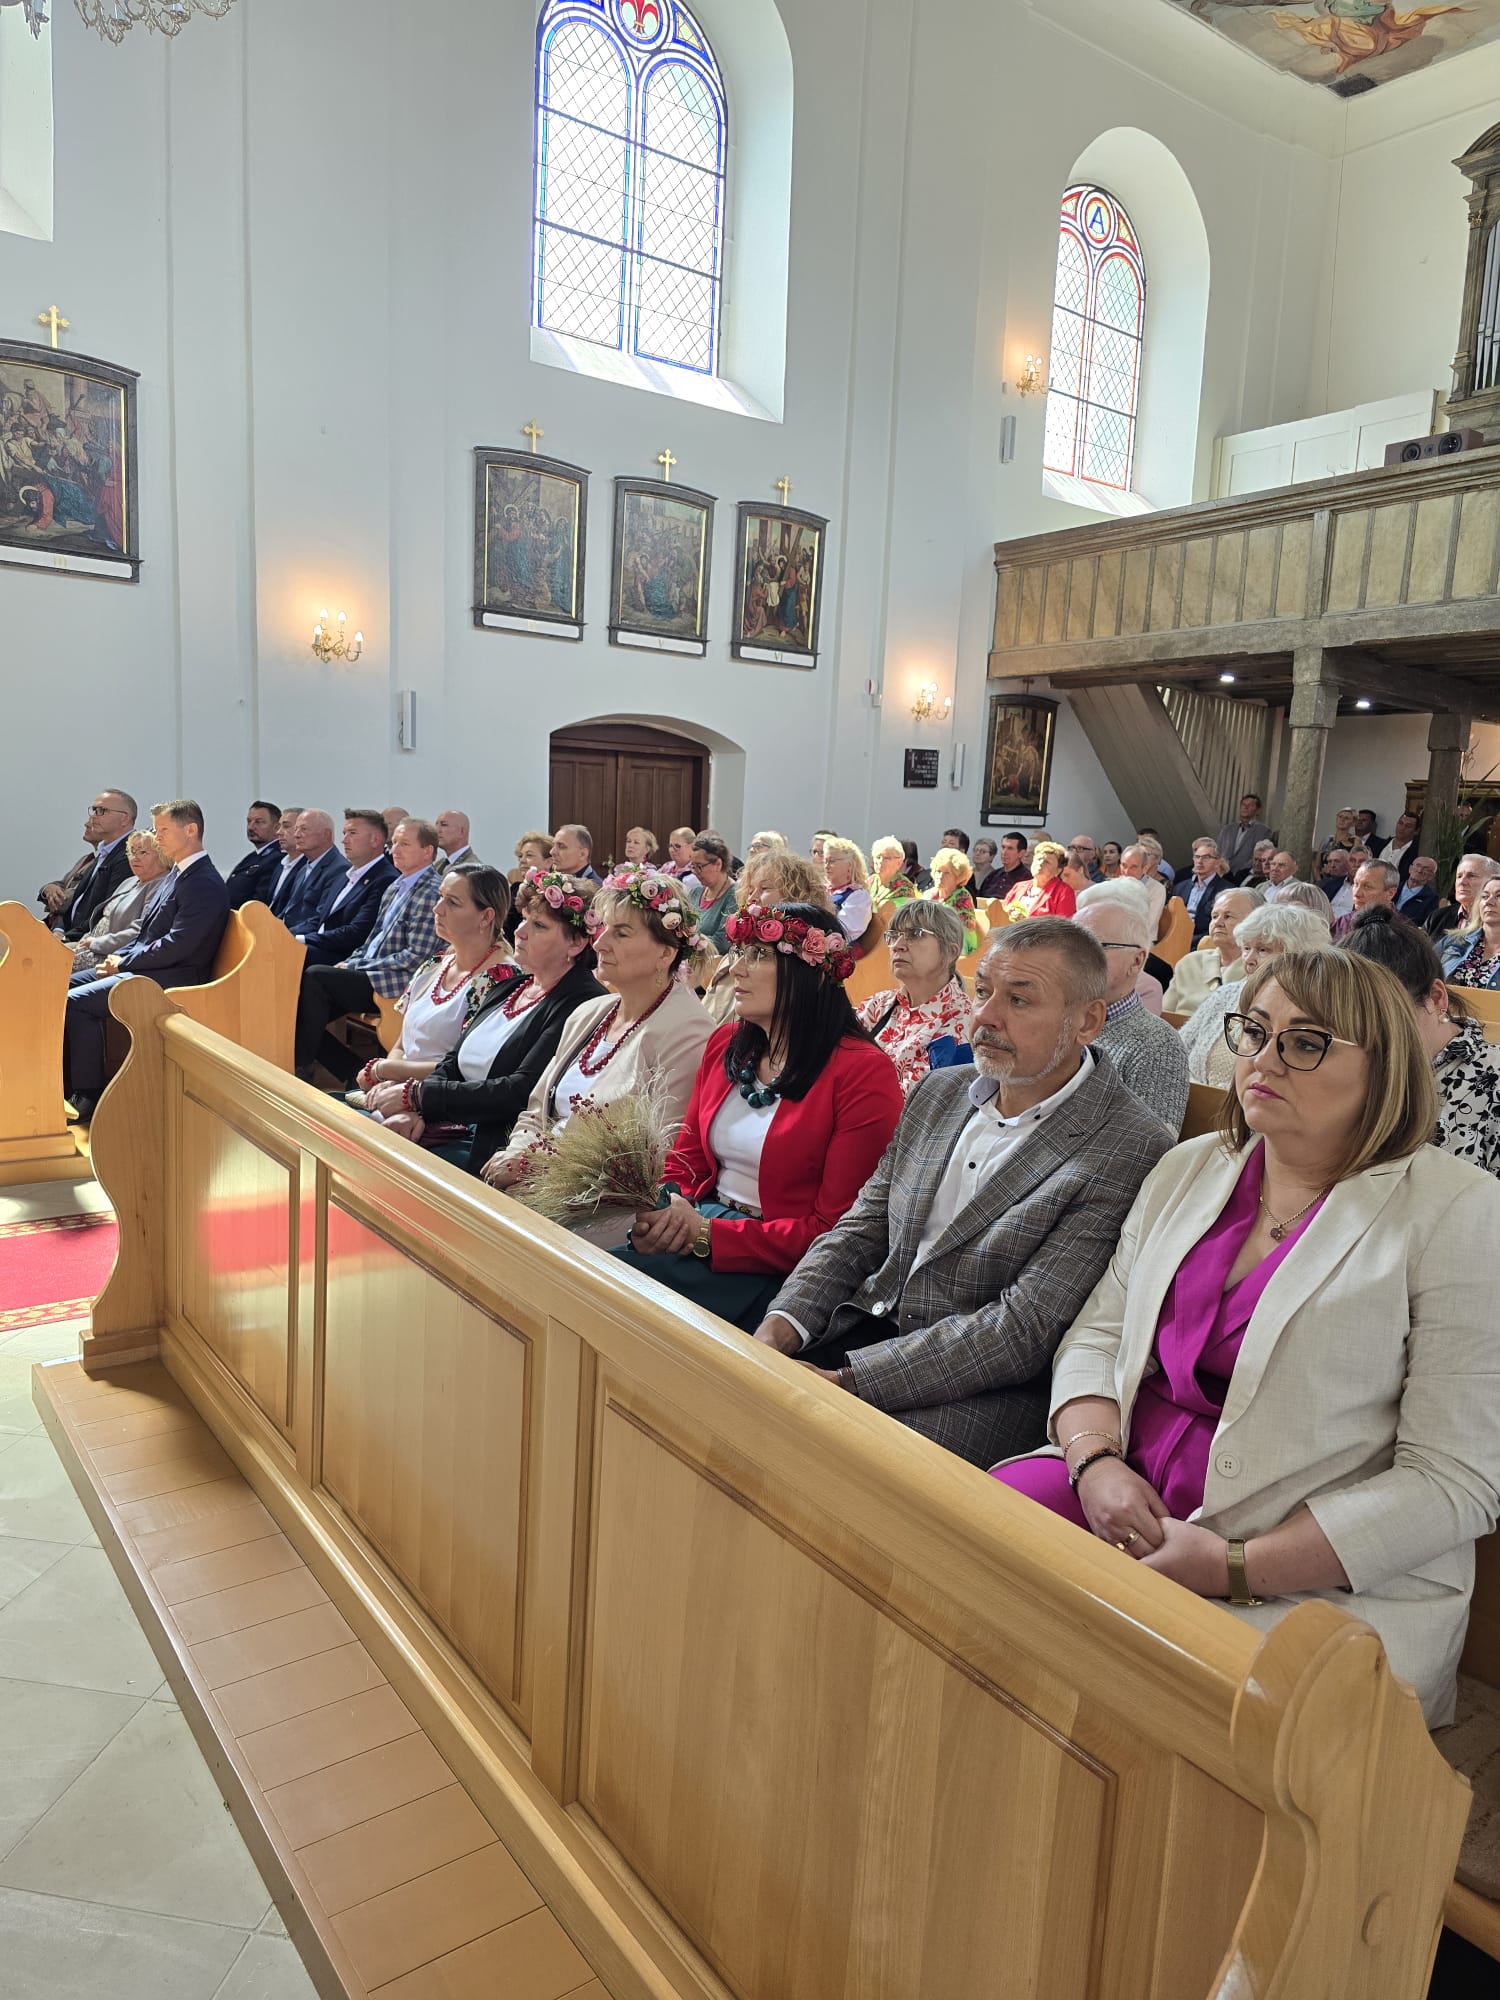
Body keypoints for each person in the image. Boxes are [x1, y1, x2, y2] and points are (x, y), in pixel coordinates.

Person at [992, 949, 1500, 1729]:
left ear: (1384, 1068)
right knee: (966, 1556)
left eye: (1306, 1042)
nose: (1263, 1059)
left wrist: (1233, 1564)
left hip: (1311, 1570)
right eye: (1255, 1031)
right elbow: (1098, 1332)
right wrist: (1093, 1462)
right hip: (1126, 1490)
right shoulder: (1192, 1167)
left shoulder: (1458, 1212)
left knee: (1129, 1697)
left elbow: (1453, 1479)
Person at [752, 920, 1177, 1468]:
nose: (985, 1017)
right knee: (727, 1385)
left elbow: (1021, 1329)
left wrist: (845, 1381)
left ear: (1087, 1021)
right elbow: (862, 1227)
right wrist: (779, 1327)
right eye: (982, 991)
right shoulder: (940, 1090)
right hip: (865, 1324)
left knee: (808, 1448)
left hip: (980, 1389)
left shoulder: (1129, 1143)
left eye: (1019, 1000)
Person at [615, 904, 903, 1329]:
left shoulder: (862, 1072)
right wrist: (668, 1209)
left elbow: (838, 1232)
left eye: (759, 955)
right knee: (589, 1277)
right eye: (739, 952)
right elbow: (685, 1160)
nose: (736, 969)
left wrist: (706, 1234)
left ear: (810, 972)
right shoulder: (728, 1042)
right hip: (702, 1226)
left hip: (781, 1270)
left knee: (613, 1300)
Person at [480, 868, 712, 1196]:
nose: (600, 943)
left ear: (665, 953)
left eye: (622, 933)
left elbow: (654, 1153)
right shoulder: (589, 1013)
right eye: (604, 929)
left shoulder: (689, 1032)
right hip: (530, 1182)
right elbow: (536, 1110)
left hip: (604, 1202)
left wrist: (537, 1166)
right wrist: (517, 1152)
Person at [376, 871, 605, 1173]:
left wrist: (419, 1096)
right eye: (524, 919)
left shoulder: (581, 1001)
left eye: (538, 926)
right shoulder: (509, 986)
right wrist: (416, 1110)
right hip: (449, 1122)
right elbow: (452, 1063)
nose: (520, 932)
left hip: (495, 1145)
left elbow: (520, 1090)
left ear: (575, 943)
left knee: (385, 1158)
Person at [63, 800, 229, 1120]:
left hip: (176, 976)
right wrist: (120, 957)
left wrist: (123, 964)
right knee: (62, 986)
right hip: (152, 967)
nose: (157, 836)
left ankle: (89, 1093)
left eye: (163, 829)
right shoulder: (179, 873)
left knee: (75, 1002)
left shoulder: (203, 881)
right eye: (156, 828)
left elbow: (179, 944)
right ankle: (62, 1081)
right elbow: (148, 935)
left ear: (190, 830)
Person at [1341, 906, 1500, 1179]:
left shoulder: (1491, 1080)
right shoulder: (1345, 1065)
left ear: (1436, 998)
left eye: (1384, 1018)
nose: (1368, 1038)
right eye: (1348, 1024)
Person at [293, 818, 444, 1083]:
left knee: (315, 978)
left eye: (405, 844)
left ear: (427, 851)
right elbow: (371, 941)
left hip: (398, 981)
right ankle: (354, 1074)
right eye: (394, 843)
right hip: (373, 972)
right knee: (298, 1014)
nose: (395, 850)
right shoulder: (396, 887)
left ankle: (301, 1066)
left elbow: (415, 957)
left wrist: (355, 966)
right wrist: (349, 962)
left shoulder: (431, 891)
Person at [354, 863, 512, 1112]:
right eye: (440, 897)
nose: (437, 909)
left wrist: (388, 1071)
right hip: (400, 1088)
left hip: (443, 1102)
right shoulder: (435, 964)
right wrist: (389, 1080)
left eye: (453, 902)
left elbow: (468, 1068)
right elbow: (402, 1044)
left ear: (486, 916)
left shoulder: (502, 978)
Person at [1179, 901, 1332, 1088]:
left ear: (1297, 955)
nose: (1249, 959)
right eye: (1246, 948)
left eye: (1262, 950)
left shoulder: (1309, 1011)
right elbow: (1178, 1049)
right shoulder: (1225, 994)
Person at [1073, 886, 1190, 1131]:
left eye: (1094, 946)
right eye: (1072, 946)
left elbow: (1150, 1144)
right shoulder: (1054, 1019)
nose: (1075, 959)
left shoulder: (1157, 1045)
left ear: (1137, 960)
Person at [856, 899, 971, 1097]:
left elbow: (920, 1103)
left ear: (951, 952)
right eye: (894, 936)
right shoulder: (878, 1005)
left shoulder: (961, 1020)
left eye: (915, 934)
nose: (897, 945)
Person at [297, 809, 399, 966]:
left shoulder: (386, 879)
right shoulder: (343, 876)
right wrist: (288, 935)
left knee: (286, 953)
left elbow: (357, 933)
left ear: (375, 840)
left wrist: (303, 939)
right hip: (318, 946)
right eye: (344, 833)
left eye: (352, 833)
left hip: (346, 958)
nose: (344, 840)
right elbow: (319, 918)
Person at [39, 789, 137, 939]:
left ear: (124, 818)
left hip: (87, 941)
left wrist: (65, 938)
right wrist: (59, 930)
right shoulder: (103, 852)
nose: (93, 816)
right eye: (94, 810)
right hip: (66, 934)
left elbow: (106, 912)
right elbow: (75, 904)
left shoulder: (130, 855)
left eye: (102, 810)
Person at [70, 831, 169, 975]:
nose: (134, 858)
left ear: (162, 855)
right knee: (42, 951)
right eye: (132, 852)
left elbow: (140, 931)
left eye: (142, 852)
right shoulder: (130, 881)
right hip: (89, 945)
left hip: (110, 955)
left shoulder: (160, 886)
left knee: (48, 964)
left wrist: (96, 943)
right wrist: (86, 939)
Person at [1162, 886, 1263, 1017]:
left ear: (1255, 922)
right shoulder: (1189, 963)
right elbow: (1163, 1016)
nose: (1218, 923)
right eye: (1214, 916)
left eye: (1228, 916)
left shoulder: (1259, 970)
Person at [278, 811, 347, 935]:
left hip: (304, 940)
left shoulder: (340, 869)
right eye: (296, 829)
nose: (296, 835)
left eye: (304, 829)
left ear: (326, 835)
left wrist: (283, 935)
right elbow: (288, 910)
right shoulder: (304, 868)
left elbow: (320, 919)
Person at [1441, 874, 1500, 991]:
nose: (1489, 902)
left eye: (1499, 896)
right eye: (1484, 896)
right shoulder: (1455, 940)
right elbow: (1425, 973)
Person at [925, 846, 986, 954]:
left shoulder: (962, 898)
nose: (940, 876)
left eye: (946, 873)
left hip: (958, 945)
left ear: (958, 877)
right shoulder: (929, 894)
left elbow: (955, 932)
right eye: (938, 871)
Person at [1428, 853, 1500, 941]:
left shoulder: (1495, 921)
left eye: (1471, 876)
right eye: (1459, 876)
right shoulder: (1437, 917)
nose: (1462, 882)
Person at [225, 800, 283, 909]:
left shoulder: (277, 858)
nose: (251, 827)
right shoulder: (254, 856)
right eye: (249, 821)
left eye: (259, 822)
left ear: (277, 828)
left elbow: (259, 903)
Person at [1002, 839, 1074, 922]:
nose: (1040, 864)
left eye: (1047, 862)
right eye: (1039, 859)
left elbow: (1063, 925)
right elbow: (1002, 911)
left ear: (1058, 871)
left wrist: (1027, 921)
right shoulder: (1019, 887)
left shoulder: (1064, 892)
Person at [689, 831, 736, 954]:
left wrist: (687, 942)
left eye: (699, 866)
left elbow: (722, 942)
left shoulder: (734, 895)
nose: (695, 872)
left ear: (718, 864)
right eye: (693, 866)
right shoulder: (695, 893)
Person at [1329, 859, 1398, 941]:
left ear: (1390, 893)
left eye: (1367, 887)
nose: (1357, 893)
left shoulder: (1402, 930)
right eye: (1356, 884)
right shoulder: (1341, 923)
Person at [1174, 839, 1226, 944]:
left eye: (1206, 857)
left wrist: (1190, 940)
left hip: (1202, 942)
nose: (1200, 861)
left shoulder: (1225, 891)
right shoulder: (1180, 887)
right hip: (1175, 937)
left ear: (1217, 862)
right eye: (1197, 857)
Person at [822, 836, 873, 942]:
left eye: (831, 861)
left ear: (849, 865)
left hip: (840, 949)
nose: (826, 866)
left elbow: (845, 931)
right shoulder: (822, 889)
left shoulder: (858, 896)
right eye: (825, 861)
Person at [1216, 794, 1273, 878]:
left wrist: (1242, 872)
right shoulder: (1227, 829)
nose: (1245, 807)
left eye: (1250, 805)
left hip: (1245, 875)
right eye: (1243, 804)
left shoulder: (1264, 831)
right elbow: (1218, 851)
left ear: (1257, 811)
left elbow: (1260, 856)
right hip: (1221, 874)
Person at [260, 807, 305, 913]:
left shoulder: (308, 867)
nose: (278, 832)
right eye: (279, 827)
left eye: (286, 826)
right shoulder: (280, 865)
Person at [1118, 843, 1166, 930]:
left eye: (1133, 867)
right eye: (1124, 866)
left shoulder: (1157, 890)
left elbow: (1147, 925)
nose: (1127, 872)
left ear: (1145, 868)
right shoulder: (1115, 884)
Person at [870, 835, 919, 909]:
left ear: (899, 862)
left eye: (887, 858)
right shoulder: (869, 881)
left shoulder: (905, 888)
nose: (880, 861)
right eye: (878, 857)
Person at [982, 832, 1030, 900]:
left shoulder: (1027, 879)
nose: (1004, 852)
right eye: (1003, 847)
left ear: (1021, 853)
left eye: (1010, 848)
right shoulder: (992, 876)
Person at [1395, 854, 1440, 927]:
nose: (1420, 870)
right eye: (1418, 866)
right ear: (1410, 869)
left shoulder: (1432, 899)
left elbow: (1425, 926)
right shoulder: (1392, 887)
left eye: (1426, 869)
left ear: (1431, 876)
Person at [1376, 811, 1420, 884]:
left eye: (1408, 826)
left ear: (1416, 831)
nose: (1402, 828)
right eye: (1400, 823)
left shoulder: (1416, 852)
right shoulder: (1380, 844)